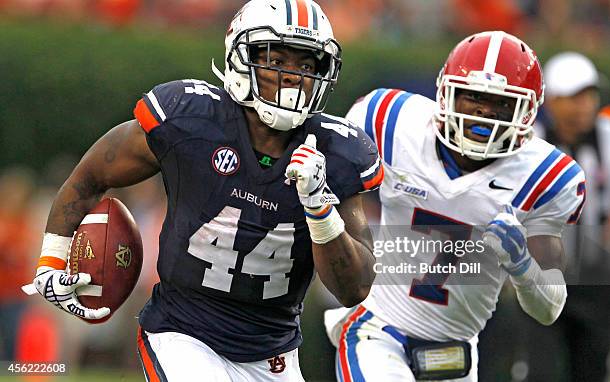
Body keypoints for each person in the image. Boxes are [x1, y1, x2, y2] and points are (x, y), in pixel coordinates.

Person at [23, 0, 383, 380]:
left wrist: (320, 208)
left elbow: (354, 289)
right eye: (277, 60)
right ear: (240, 58)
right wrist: (51, 258)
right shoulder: (193, 119)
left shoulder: (336, 153)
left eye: (306, 65)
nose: (293, 76)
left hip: (273, 353)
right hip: (183, 334)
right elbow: (91, 176)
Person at [324, 31, 586, 381]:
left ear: (527, 113)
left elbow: (549, 309)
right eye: (473, 96)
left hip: (455, 353)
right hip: (377, 330)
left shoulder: (545, 176)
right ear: (446, 94)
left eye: (501, 103)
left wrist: (522, 265)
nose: (484, 112)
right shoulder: (391, 122)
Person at [518, 52, 610, 382]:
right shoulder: (529, 142)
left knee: (592, 367)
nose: (585, 105)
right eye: (574, 97)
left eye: (589, 95)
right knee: (537, 368)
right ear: (552, 101)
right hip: (538, 275)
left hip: (596, 280)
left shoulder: (607, 136)